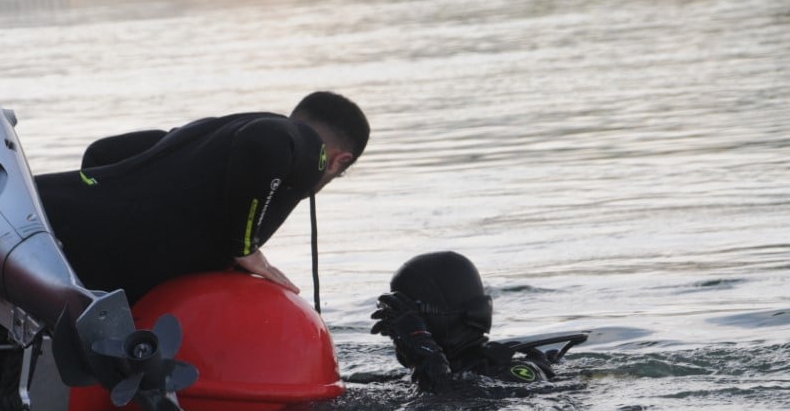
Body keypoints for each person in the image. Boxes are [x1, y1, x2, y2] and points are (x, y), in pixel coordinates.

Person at [35, 91, 370, 304]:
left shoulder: (213, 130)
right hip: (64, 244)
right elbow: (263, 144)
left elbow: (103, 152)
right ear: (341, 160)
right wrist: (245, 248)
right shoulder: (310, 149)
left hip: (44, 207)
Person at [370, 251, 586, 393]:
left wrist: (424, 351)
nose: (398, 332)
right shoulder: (405, 382)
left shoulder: (514, 375)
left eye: (410, 318)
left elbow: (444, 409)